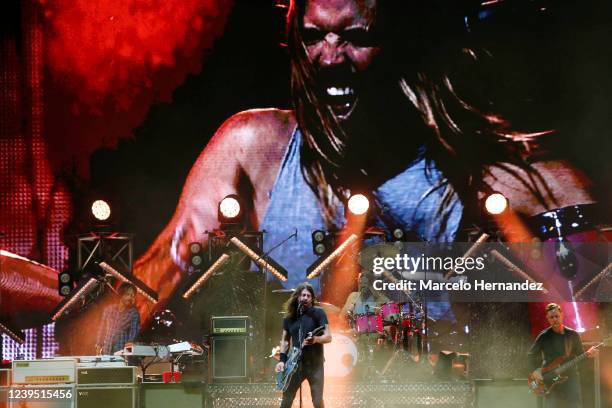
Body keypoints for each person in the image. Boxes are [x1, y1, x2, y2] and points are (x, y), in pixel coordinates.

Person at [133, 0, 463, 323]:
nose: (331, 58)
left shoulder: (473, 165)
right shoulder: (253, 146)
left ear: (399, 40)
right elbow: (161, 270)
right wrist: (93, 355)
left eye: (358, 37)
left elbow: (509, 309)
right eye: (312, 37)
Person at [275, 282, 331, 408]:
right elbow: (284, 341)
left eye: (308, 295)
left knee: (317, 401)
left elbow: (328, 336)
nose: (305, 297)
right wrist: (282, 361)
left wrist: (316, 339)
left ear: (312, 299)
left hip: (315, 364)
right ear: (297, 297)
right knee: (286, 399)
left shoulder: (318, 313)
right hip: (295, 364)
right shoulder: (289, 317)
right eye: (302, 295)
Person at [528, 303, 589, 408]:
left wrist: (589, 355)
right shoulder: (544, 336)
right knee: (552, 405)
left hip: (571, 377)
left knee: (575, 405)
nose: (555, 319)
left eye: (557, 316)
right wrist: (536, 370)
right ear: (548, 318)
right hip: (550, 377)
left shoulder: (573, 335)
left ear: (562, 315)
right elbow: (531, 355)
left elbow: (581, 356)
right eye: (551, 317)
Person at [95, 282, 141, 355]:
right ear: (121, 295)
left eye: (133, 296)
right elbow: (102, 330)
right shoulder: (108, 310)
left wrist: (127, 355)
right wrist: (98, 345)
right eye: (127, 294)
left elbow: (133, 334)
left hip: (121, 353)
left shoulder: (134, 313)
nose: (131, 298)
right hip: (106, 351)